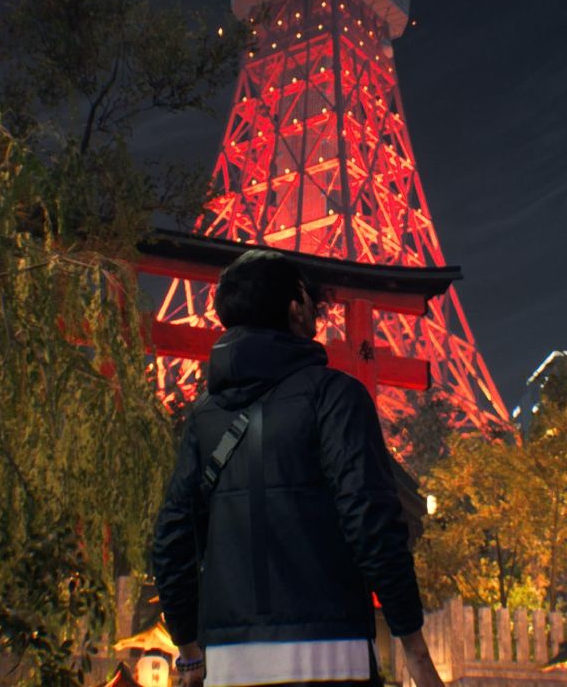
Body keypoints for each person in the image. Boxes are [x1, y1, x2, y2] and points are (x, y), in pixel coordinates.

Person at [148, 250, 445, 687]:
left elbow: (172, 537)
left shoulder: (203, 417)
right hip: (331, 656)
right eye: (309, 298)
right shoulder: (336, 397)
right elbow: (371, 522)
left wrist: (190, 653)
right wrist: (415, 652)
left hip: (229, 665)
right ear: (295, 307)